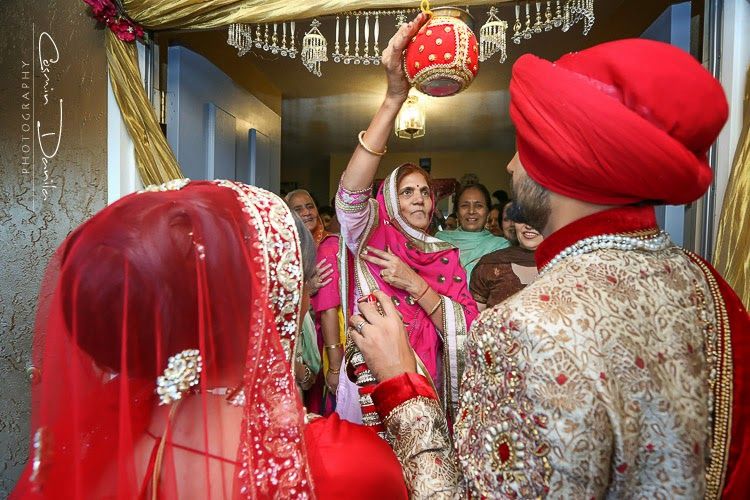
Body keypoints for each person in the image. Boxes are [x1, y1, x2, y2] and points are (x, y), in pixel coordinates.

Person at [349, 34, 750, 499]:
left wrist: (402, 384)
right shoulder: (711, 286)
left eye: (526, 146)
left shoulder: (528, 326)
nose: (511, 165)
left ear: (562, 162)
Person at [11, 180, 408, 499]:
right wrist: (405, 389)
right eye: (302, 288)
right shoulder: (337, 464)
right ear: (283, 299)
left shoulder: (90, 444)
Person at [334, 13, 477, 425]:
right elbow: (349, 194)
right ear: (389, 201)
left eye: (425, 192)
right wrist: (393, 99)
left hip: (426, 376)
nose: (419, 199)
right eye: (407, 191)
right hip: (370, 378)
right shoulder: (369, 233)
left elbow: (467, 325)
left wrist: (413, 282)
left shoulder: (445, 255)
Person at [285, 189, 344, 416]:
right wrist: (307, 289)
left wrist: (336, 367)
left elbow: (329, 309)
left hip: (324, 342)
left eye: (310, 206)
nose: (307, 212)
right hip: (297, 343)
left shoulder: (328, 247)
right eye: (297, 209)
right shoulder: (287, 249)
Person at [470, 205, 543, 310]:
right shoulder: (489, 265)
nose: (528, 226)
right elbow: (474, 320)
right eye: (521, 217)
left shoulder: (567, 266)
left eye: (537, 218)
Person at [435, 182, 510, 282]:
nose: (471, 211)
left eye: (478, 206)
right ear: (457, 212)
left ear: (488, 212)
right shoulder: (439, 241)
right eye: (465, 205)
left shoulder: (500, 246)